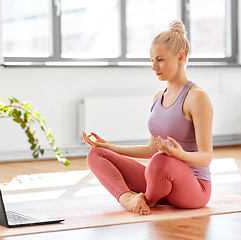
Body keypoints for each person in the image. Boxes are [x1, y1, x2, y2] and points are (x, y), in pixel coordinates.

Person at [82, 20, 213, 215]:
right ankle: (127, 198)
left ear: (180, 57)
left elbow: (206, 157)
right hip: (160, 179)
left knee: (160, 160)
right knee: (96, 155)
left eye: (160, 60)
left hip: (193, 188)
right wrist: (109, 147)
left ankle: (147, 199)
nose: (154, 67)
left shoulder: (196, 97)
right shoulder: (158, 97)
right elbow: (151, 149)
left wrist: (177, 154)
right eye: (152, 60)